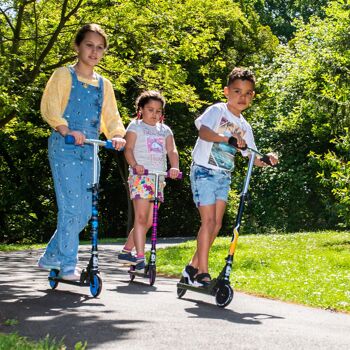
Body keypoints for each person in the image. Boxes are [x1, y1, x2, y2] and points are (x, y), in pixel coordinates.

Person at [37, 24, 126, 280]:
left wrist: (117, 135)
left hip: (89, 151)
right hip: (64, 148)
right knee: (71, 206)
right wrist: (66, 130)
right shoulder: (63, 75)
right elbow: (50, 107)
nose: (94, 51)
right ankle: (67, 263)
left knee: (86, 211)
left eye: (100, 48)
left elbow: (111, 117)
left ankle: (50, 256)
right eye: (89, 45)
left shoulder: (104, 84)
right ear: (77, 46)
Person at [182, 67, 278, 287]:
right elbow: (203, 132)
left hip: (223, 176)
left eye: (247, 93)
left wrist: (268, 158)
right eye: (237, 91)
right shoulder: (218, 110)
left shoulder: (245, 127)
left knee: (215, 224)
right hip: (204, 170)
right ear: (226, 91)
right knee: (207, 221)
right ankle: (201, 273)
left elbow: (253, 157)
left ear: (252, 96)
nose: (241, 97)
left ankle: (191, 267)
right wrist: (227, 139)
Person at [117, 91, 180, 272]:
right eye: (150, 110)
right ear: (141, 109)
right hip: (140, 177)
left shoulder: (165, 130)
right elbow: (128, 149)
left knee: (149, 221)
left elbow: (172, 150)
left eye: (158, 111)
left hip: (158, 177)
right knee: (141, 217)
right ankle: (139, 257)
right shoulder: (135, 127)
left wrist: (174, 167)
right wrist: (135, 165)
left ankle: (127, 250)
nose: (155, 114)